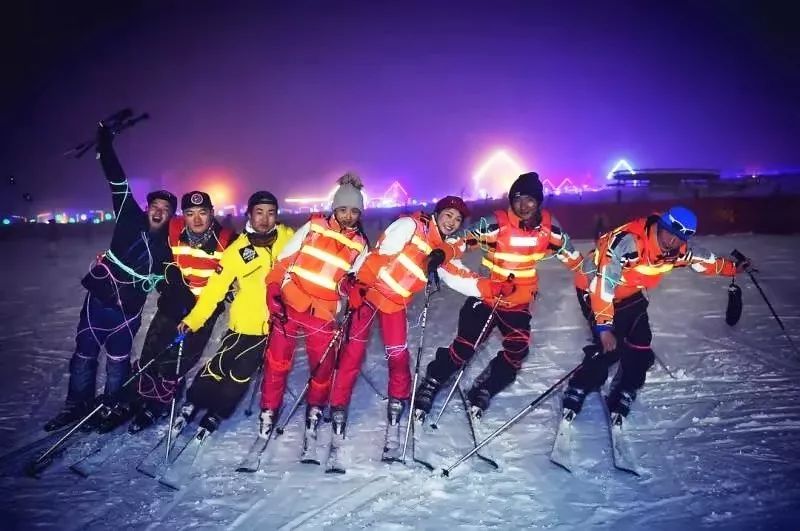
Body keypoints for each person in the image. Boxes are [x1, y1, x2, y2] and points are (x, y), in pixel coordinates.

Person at [413, 172, 584, 420]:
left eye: (529, 200)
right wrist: (442, 254)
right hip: (486, 297)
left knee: (517, 351)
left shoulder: (550, 230)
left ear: (539, 202)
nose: (523, 206)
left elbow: (576, 261)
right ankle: (433, 381)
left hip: (518, 303)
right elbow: (462, 240)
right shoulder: (496, 223)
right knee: (465, 347)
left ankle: (486, 387)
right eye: (517, 199)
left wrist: (594, 282)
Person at [562, 206, 750, 425]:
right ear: (661, 226)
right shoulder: (627, 243)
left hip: (631, 292)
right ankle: (579, 385)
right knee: (610, 347)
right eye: (670, 232)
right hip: (593, 288)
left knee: (641, 346)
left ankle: (626, 388)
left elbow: (706, 262)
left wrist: (733, 269)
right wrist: (604, 328)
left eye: (680, 238)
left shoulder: (678, 250)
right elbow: (604, 285)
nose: (672, 241)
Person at [44, 123, 176, 432]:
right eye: (155, 206)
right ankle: (76, 405)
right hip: (99, 302)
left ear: (170, 215)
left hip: (129, 312)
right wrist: (105, 144)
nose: (158, 212)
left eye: (165, 209)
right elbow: (116, 178)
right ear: (148, 208)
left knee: (118, 361)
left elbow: (171, 277)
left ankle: (113, 405)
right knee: (84, 355)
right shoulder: (129, 215)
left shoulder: (169, 245)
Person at [331, 196, 470, 458]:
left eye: (457, 220)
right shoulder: (411, 225)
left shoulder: (443, 251)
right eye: (448, 215)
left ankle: (396, 412)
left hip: (394, 305)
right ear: (438, 213)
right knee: (352, 353)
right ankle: (338, 409)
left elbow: (462, 279)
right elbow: (380, 254)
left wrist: (491, 290)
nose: (451, 223)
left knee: (398, 356)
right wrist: (360, 286)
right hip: (369, 296)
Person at [259, 174, 369, 458]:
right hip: (291, 302)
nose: (348, 216)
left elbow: (350, 280)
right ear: (335, 207)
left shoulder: (360, 244)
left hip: (323, 313)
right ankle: (269, 410)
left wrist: (351, 288)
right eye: (343, 209)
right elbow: (283, 261)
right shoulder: (313, 226)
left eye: (354, 211)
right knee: (277, 361)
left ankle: (316, 408)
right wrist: (273, 291)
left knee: (321, 369)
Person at [172, 191, 294, 435]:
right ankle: (193, 402)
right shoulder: (236, 251)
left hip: (273, 326)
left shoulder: (288, 238)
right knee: (217, 365)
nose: (265, 219)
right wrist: (192, 320)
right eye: (259, 212)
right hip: (241, 324)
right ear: (249, 214)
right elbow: (214, 292)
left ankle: (218, 412)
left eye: (271, 213)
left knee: (240, 374)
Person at [124, 191, 236, 433]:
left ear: (212, 213)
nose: (196, 220)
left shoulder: (227, 239)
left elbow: (243, 271)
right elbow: (147, 238)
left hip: (203, 310)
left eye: (202, 213)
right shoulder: (173, 228)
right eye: (190, 214)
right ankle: (142, 396)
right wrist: (167, 279)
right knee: (151, 351)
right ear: (182, 215)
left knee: (178, 360)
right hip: (174, 301)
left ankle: (161, 403)